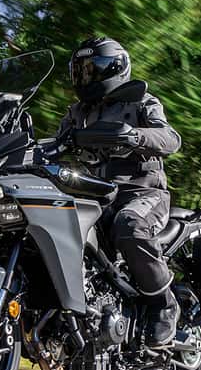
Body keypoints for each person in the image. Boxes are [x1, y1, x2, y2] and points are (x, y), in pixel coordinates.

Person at [58, 37, 182, 347]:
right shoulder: (77, 112)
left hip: (143, 193)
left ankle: (164, 306)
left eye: (92, 69)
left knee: (130, 225)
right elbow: (55, 143)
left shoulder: (142, 102)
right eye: (81, 71)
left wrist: (134, 136)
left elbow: (170, 138)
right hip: (97, 195)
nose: (85, 77)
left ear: (114, 68)